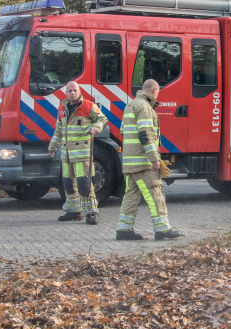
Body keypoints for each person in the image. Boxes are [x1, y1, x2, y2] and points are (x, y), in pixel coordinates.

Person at [116, 79, 182, 241]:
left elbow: (123, 131)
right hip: (143, 162)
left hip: (131, 161)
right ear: (154, 90)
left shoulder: (131, 105)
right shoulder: (145, 107)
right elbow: (145, 134)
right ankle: (163, 229)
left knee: (131, 195)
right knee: (155, 193)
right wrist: (154, 158)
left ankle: (124, 230)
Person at [48, 81, 108, 224]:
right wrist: (53, 146)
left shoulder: (88, 106)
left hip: (82, 154)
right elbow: (59, 130)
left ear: (79, 91)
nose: (72, 93)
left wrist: (96, 128)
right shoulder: (62, 108)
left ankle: (91, 213)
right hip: (67, 155)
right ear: (66, 92)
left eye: (75, 90)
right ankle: (73, 212)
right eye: (70, 91)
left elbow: (103, 119)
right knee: (68, 184)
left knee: (84, 184)